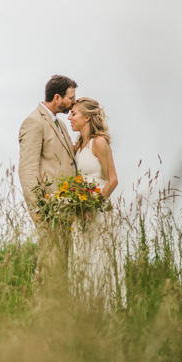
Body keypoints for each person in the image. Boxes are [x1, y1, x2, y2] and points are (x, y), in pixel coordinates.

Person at [18, 75, 79, 289]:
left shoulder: (60, 124)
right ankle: (40, 311)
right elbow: (27, 169)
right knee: (49, 265)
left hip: (66, 210)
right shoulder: (34, 122)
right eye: (71, 98)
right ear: (57, 97)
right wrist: (38, 209)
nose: (73, 102)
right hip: (48, 210)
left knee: (63, 266)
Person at [67, 97, 120, 303]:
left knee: (98, 261)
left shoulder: (99, 142)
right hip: (80, 212)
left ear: (87, 117)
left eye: (74, 114)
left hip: (97, 212)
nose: (70, 117)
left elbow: (113, 180)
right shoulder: (78, 145)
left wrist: (93, 207)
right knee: (81, 262)